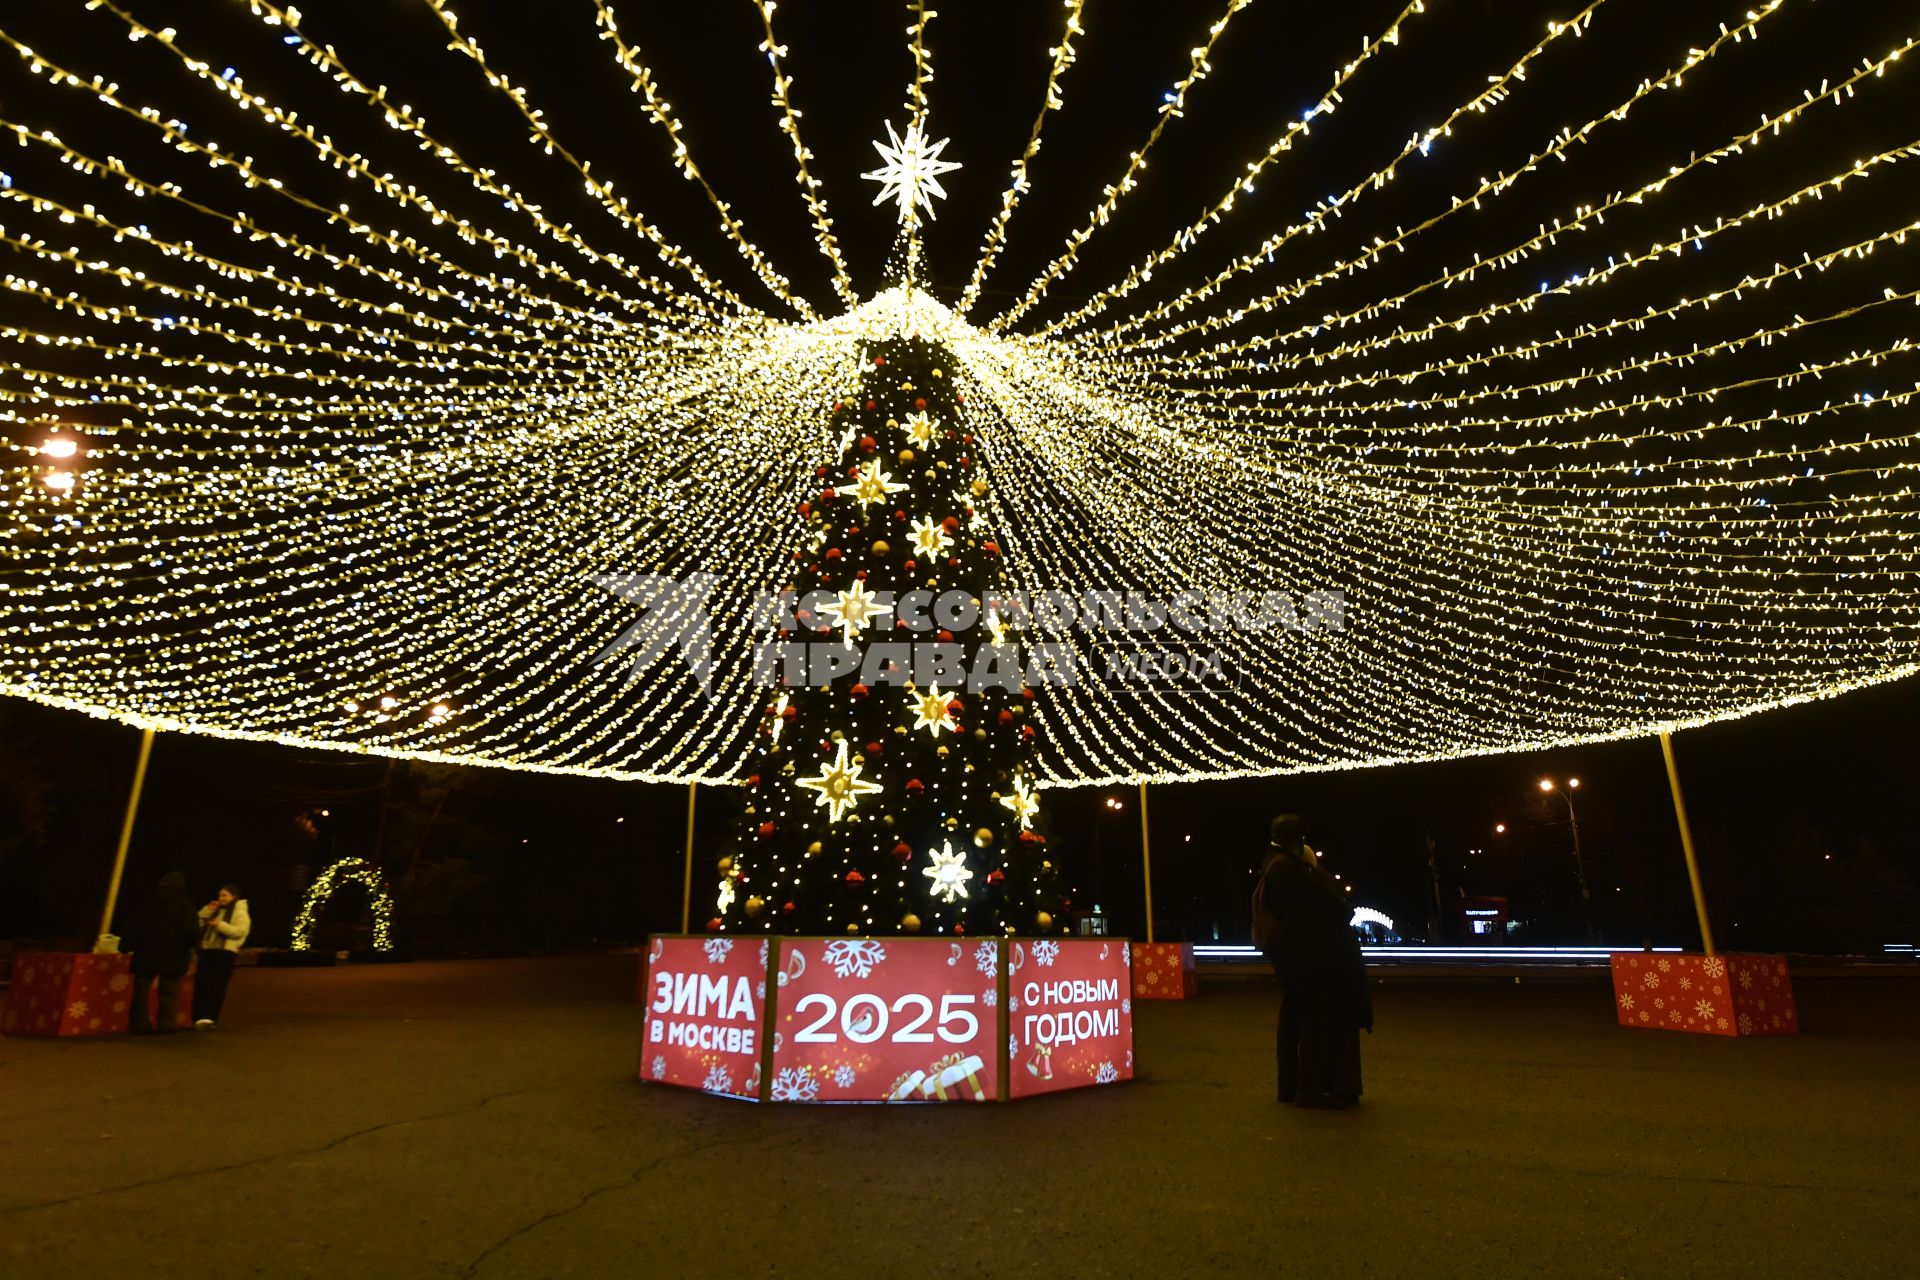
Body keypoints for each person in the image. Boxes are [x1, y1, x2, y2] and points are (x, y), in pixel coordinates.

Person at [1254, 814, 1372, 1107]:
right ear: (1295, 839)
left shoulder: (1271, 867)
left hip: (1292, 960)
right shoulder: (1289, 870)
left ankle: (1290, 1088)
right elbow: (1335, 905)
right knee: (1311, 1024)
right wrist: (1319, 876)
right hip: (1307, 960)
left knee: (1293, 1022)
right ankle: (1307, 1090)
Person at [122, 871, 201, 1034]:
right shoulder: (185, 903)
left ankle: (139, 1024)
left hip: (145, 951)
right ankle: (166, 1024)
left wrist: (125, 945)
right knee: (169, 992)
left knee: (141, 991)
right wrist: (190, 945)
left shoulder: (147, 901)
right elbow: (190, 930)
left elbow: (134, 925)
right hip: (173, 953)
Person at [193, 883, 251, 1029]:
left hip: (225, 952)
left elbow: (240, 931)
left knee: (216, 985)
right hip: (208, 950)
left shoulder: (240, 912)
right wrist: (207, 910)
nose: (221, 898)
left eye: (225, 895)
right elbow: (196, 924)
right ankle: (199, 1017)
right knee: (202, 984)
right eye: (220, 895)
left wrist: (219, 925)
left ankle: (210, 1017)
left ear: (233, 896)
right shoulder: (216, 910)